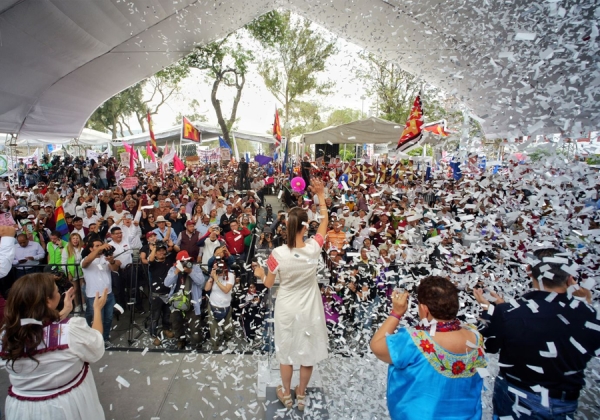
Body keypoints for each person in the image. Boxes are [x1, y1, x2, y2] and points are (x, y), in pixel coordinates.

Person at [474, 248, 600, 419]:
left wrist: (488, 309)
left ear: (528, 271)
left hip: (516, 397)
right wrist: (586, 306)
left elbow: (490, 345)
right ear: (570, 277)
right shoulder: (589, 314)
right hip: (564, 400)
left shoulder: (509, 312)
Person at [253, 178, 329, 411]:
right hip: (309, 309)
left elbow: (268, 283)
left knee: (285, 352)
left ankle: (286, 393)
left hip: (286, 308)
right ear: (305, 227)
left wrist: (258, 272)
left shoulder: (277, 253)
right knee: (307, 354)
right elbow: (325, 222)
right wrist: (321, 196)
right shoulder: (314, 249)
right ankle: (301, 394)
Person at [370, 276, 487, 420]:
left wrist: (396, 313)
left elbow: (376, 346)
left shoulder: (415, 340)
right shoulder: (475, 336)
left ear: (424, 309)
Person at [0, 273, 108, 420]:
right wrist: (97, 309)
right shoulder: (70, 330)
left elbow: (40, 326)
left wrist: (64, 312)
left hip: (22, 409)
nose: (59, 293)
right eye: (57, 291)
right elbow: (96, 344)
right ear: (48, 301)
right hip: (64, 407)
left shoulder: (7, 333)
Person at [81, 238, 120, 346]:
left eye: (101, 245)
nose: (100, 248)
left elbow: (114, 269)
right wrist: (101, 247)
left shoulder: (104, 258)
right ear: (91, 248)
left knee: (108, 318)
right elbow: (86, 263)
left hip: (109, 294)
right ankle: (94, 341)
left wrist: (112, 261)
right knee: (97, 319)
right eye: (96, 246)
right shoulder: (85, 259)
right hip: (94, 296)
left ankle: (105, 339)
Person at [164, 251, 206, 350]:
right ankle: (180, 340)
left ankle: (197, 342)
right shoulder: (173, 269)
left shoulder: (195, 268)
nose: (184, 264)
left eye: (185, 261)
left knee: (195, 327)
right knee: (176, 324)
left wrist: (190, 272)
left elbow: (201, 282)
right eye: (181, 262)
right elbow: (166, 283)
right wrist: (176, 272)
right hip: (176, 302)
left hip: (192, 302)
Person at [205, 257, 236, 351]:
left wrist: (217, 280)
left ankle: (229, 341)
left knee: (228, 328)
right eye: (218, 269)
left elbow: (226, 290)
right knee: (213, 328)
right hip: (213, 305)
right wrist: (212, 276)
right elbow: (206, 289)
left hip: (226, 306)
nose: (220, 271)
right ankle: (215, 345)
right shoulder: (214, 275)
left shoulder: (230, 275)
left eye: (221, 269)